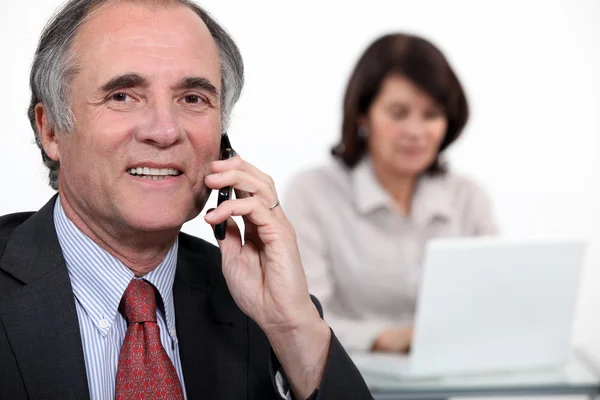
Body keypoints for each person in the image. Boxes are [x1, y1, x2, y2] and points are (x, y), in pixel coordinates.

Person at [0, 1, 372, 399]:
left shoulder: (256, 304)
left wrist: (294, 328)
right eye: (123, 96)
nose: (164, 131)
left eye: (193, 99)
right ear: (51, 130)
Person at [284, 33, 498, 354]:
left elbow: (496, 306)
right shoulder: (312, 193)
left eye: (431, 115)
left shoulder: (468, 197)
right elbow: (301, 318)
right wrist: (383, 337)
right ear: (362, 116)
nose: (415, 131)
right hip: (351, 383)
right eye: (398, 113)